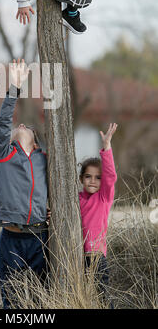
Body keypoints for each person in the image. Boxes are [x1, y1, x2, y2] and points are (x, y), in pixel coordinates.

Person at [0, 58, 49, 309]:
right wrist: (14, 87)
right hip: (11, 238)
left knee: (41, 297)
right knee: (12, 298)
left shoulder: (45, 159)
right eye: (19, 125)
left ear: (35, 143)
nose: (21, 125)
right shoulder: (5, 155)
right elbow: (3, 123)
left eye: (26, 126)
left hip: (39, 238)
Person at [79, 123, 118, 308]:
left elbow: (110, 176)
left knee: (102, 296)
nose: (93, 181)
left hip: (96, 256)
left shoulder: (104, 198)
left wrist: (107, 147)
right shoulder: (75, 199)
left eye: (97, 177)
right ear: (81, 179)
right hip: (75, 255)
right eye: (88, 176)